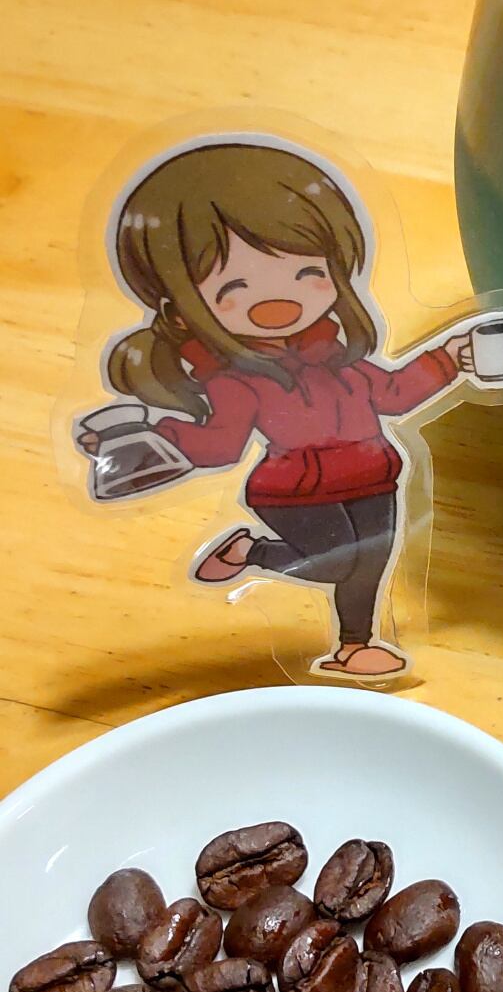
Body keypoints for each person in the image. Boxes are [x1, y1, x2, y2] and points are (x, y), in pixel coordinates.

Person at [79, 139, 474, 678]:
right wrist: (155, 438)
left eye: (307, 273)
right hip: (293, 492)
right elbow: (221, 446)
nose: (276, 299)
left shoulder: (337, 358)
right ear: (181, 310)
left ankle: (355, 645)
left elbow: (395, 394)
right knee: (338, 563)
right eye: (233, 286)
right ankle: (253, 553)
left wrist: (449, 359)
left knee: (371, 563)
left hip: (374, 476)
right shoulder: (236, 382)